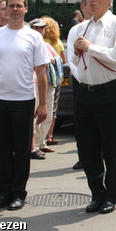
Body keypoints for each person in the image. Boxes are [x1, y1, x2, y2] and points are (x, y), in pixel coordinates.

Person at [0, 0, 49, 211]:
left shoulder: (34, 36)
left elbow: (41, 72)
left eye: (19, 6)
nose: (15, 9)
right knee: (1, 148)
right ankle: (4, 192)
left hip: (23, 100)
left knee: (21, 150)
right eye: (11, 6)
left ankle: (18, 192)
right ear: (5, 9)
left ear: (26, 9)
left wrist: (44, 103)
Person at [72, 0, 116, 215]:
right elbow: (74, 62)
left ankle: (111, 195)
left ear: (108, 0)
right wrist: (78, 53)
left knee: (111, 147)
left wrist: (92, 48)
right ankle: (96, 193)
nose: (91, 0)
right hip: (85, 91)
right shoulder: (80, 28)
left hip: (109, 91)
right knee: (87, 147)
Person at [65, 0, 91, 170]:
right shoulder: (76, 30)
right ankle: (83, 156)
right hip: (81, 82)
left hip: (101, 84)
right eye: (90, 4)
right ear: (83, 7)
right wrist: (80, 77)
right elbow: (71, 57)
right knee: (82, 123)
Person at [28, 18, 60, 156]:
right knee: (35, 115)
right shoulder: (28, 44)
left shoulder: (47, 46)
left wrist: (52, 60)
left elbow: (58, 59)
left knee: (48, 113)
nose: (39, 30)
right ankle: (34, 145)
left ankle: (42, 142)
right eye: (36, 28)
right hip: (34, 84)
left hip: (49, 84)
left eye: (42, 28)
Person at [41, 15, 66, 146]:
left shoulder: (40, 41)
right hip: (54, 79)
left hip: (40, 78)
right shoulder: (58, 42)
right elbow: (64, 60)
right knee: (53, 107)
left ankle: (39, 138)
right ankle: (49, 135)